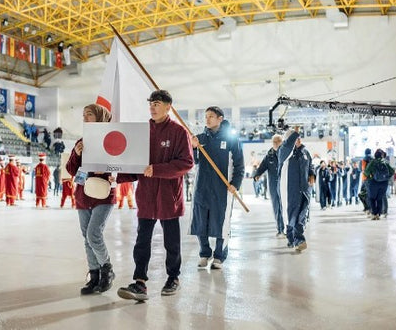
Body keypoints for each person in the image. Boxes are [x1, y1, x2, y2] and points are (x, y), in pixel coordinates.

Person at [117, 90, 193, 301]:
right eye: (150, 103)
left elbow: (186, 162)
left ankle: (173, 277)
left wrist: (157, 169)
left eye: (157, 103)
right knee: (142, 241)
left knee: (172, 242)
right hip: (147, 195)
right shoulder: (141, 132)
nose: (152, 106)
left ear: (169, 106)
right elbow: (131, 160)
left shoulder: (179, 132)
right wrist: (116, 169)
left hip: (169, 196)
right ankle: (139, 282)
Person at [66, 103, 117, 295]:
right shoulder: (81, 141)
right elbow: (72, 170)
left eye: (89, 114)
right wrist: (77, 155)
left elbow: (120, 166)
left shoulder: (111, 140)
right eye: (83, 114)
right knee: (86, 238)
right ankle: (94, 275)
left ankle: (107, 270)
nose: (85, 118)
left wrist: (108, 169)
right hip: (83, 194)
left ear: (100, 117)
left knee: (93, 234)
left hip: (103, 195)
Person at [189, 106, 244, 269]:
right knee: (200, 221)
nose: (207, 119)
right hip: (202, 187)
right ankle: (204, 253)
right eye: (206, 116)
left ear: (220, 119)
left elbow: (239, 165)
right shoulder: (200, 139)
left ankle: (219, 256)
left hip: (223, 188)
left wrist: (235, 184)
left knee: (222, 221)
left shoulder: (231, 140)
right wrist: (193, 148)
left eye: (211, 116)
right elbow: (195, 162)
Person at [277, 126, 315, 250]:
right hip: (289, 189)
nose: (298, 140)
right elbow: (288, 145)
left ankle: (298, 240)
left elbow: (310, 165)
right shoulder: (284, 151)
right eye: (295, 138)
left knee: (302, 215)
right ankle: (293, 239)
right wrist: (295, 133)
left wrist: (312, 174)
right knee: (291, 215)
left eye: (299, 138)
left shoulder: (305, 152)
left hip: (304, 189)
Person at [253, 134, 284, 236]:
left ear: (282, 142)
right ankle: (280, 229)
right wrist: (257, 174)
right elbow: (262, 166)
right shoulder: (269, 155)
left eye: (278, 141)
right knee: (276, 206)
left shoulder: (286, 153)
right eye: (274, 141)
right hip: (273, 185)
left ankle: (288, 228)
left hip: (284, 184)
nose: (276, 143)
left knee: (285, 206)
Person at [364, 148, 395, 220]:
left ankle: (374, 214)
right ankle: (379, 214)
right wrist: (386, 177)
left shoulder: (372, 162)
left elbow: (366, 172)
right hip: (384, 183)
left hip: (374, 182)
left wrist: (370, 176)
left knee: (372, 198)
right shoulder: (385, 162)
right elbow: (392, 171)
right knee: (379, 198)